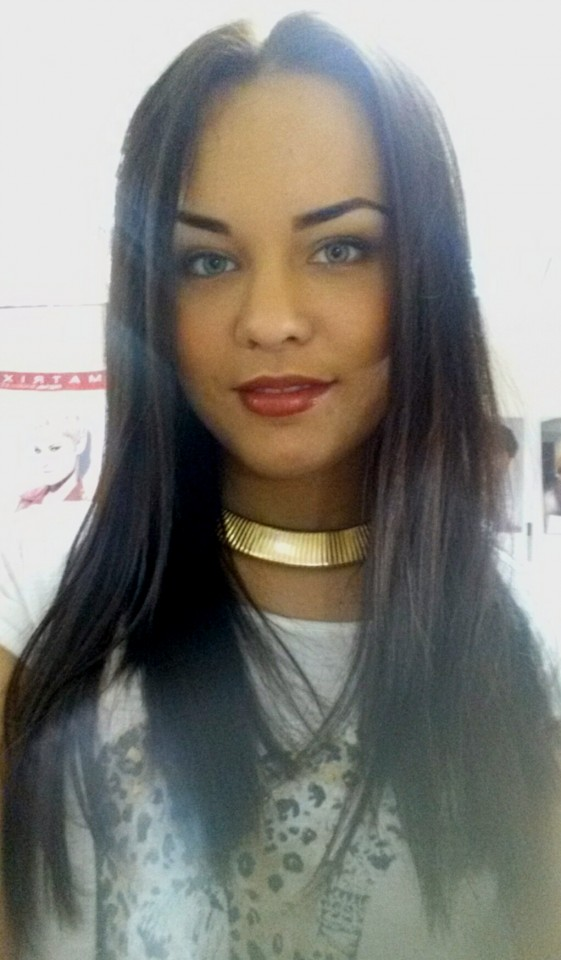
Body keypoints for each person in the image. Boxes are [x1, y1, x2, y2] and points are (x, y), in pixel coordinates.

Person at [1, 14, 560, 960]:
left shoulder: (525, 657)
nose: (268, 320)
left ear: (423, 277)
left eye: (339, 248)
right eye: (207, 261)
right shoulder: (35, 612)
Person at [16, 416, 88, 510]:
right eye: (37, 450)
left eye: (54, 449)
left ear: (79, 444)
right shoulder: (27, 499)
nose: (43, 462)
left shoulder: (85, 504)